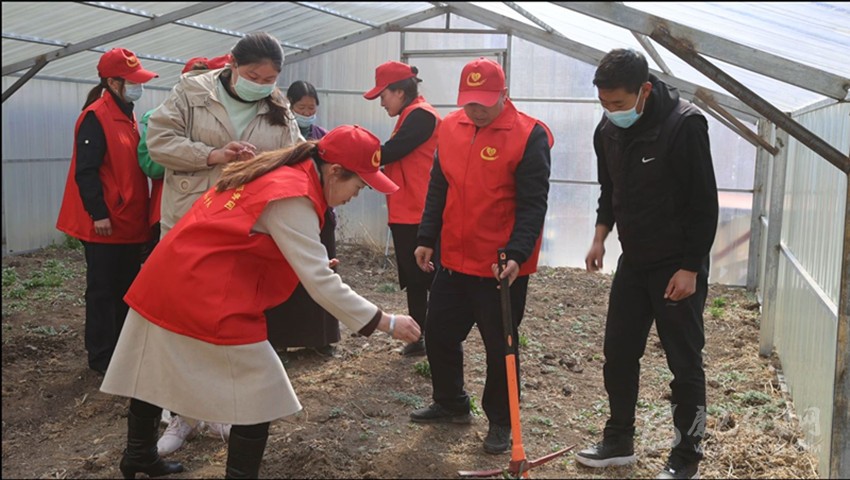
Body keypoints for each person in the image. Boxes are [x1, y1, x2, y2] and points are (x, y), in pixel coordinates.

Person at [100, 125, 420, 479]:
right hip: (198, 289)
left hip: (175, 275)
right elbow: (321, 283)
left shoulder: (284, 174)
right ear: (334, 171)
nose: (355, 196)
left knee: (154, 367)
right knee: (260, 391)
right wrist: (387, 322)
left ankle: (139, 455)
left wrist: (303, 262)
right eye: (358, 186)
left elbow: (249, 238)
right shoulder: (293, 194)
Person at [145, 32, 301, 454]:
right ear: (232, 64)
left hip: (242, 231)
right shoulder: (191, 92)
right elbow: (158, 142)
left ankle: (223, 411)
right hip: (189, 225)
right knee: (183, 325)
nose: (261, 85)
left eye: (270, 79)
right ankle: (183, 416)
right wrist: (212, 156)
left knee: (227, 322)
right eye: (253, 75)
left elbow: (294, 161)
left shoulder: (278, 108)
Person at [576, 49, 718, 480]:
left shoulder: (684, 125)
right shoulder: (608, 129)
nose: (610, 110)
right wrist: (600, 236)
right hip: (634, 261)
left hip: (677, 265)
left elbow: (704, 203)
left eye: (618, 103)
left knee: (684, 363)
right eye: (604, 102)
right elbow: (610, 189)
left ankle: (687, 456)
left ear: (645, 91)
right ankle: (619, 440)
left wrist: (690, 267)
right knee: (618, 353)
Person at [410, 57, 553, 455]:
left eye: (485, 102)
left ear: (504, 94)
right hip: (454, 259)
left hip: (500, 266)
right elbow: (438, 186)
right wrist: (426, 236)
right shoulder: (449, 127)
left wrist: (518, 254)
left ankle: (502, 421)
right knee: (438, 332)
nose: (476, 110)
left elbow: (533, 205)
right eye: (470, 101)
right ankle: (451, 402)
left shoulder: (528, 135)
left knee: (500, 346)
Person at [55, 48, 157, 375]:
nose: (138, 87)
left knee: (124, 289)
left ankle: (121, 353)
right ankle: (101, 358)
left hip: (127, 222)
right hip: (105, 224)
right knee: (102, 291)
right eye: (132, 81)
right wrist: (98, 213)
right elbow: (86, 171)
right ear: (113, 83)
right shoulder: (95, 116)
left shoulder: (127, 115)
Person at [363, 61, 440, 357]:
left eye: (383, 96)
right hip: (408, 210)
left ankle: (438, 338)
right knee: (414, 278)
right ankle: (420, 337)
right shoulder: (411, 115)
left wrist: (355, 155)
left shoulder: (421, 115)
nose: (382, 103)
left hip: (419, 212)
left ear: (399, 91)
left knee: (426, 277)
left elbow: (392, 152)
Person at [263, 80, 340, 358]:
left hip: (321, 214)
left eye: (312, 108)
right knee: (285, 275)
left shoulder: (324, 138)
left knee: (321, 271)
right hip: (287, 211)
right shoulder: (278, 134)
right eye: (302, 108)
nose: (307, 113)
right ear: (290, 106)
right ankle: (280, 340)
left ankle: (320, 339)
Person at [137, 54, 230, 263]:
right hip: (171, 202)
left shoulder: (223, 117)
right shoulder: (159, 117)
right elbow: (150, 164)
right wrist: (192, 156)